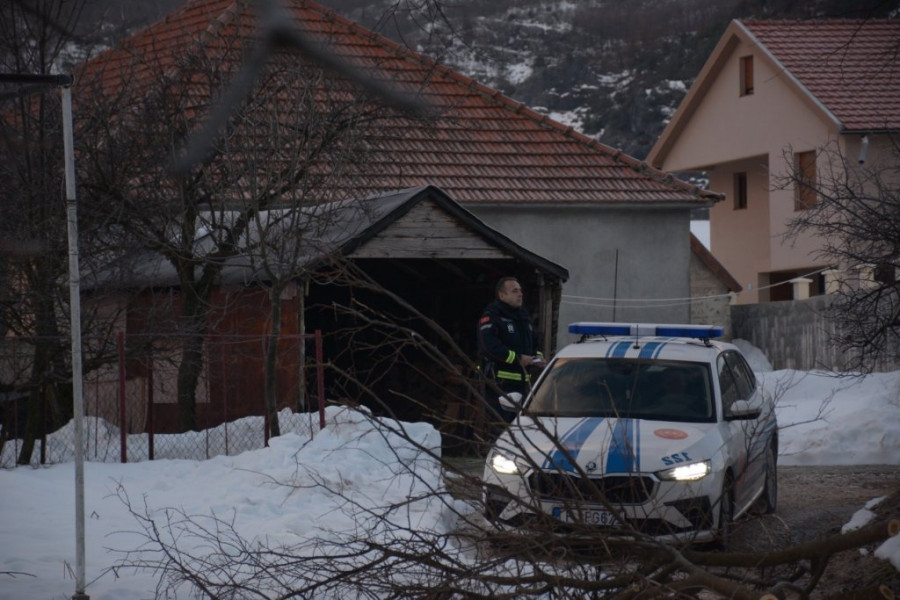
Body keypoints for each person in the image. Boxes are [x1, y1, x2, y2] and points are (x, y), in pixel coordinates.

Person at [477, 277, 543, 430]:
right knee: (501, 430)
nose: (520, 294)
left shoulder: (524, 318)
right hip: (499, 385)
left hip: (523, 385)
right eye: (514, 291)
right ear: (502, 295)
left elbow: (536, 341)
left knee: (521, 429)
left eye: (520, 291)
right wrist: (517, 358)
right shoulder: (492, 317)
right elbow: (489, 347)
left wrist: (538, 356)